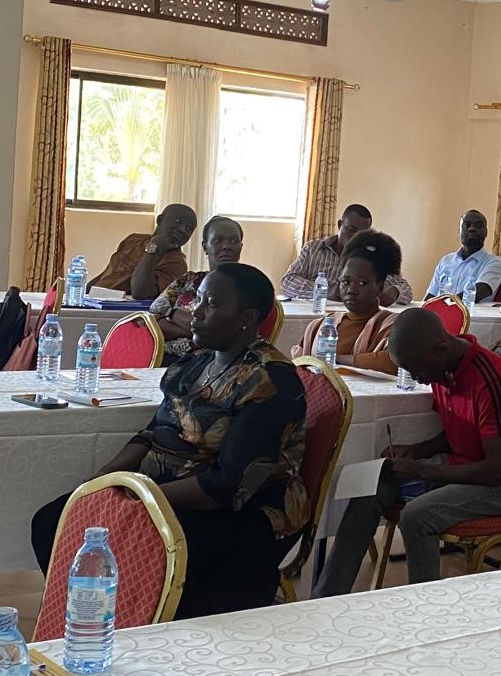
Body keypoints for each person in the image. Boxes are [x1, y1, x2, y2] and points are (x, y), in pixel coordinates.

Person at [31, 263, 307, 619]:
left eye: (211, 303)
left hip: (241, 513)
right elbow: (152, 432)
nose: (195, 311)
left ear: (246, 317)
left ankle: (128, 627)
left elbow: (228, 485)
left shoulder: (270, 381)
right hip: (168, 490)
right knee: (53, 519)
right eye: (198, 300)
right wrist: (105, 480)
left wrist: (140, 499)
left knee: (131, 540)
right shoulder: (197, 360)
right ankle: (93, 621)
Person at [313, 308, 501, 595]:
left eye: (417, 371)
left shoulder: (490, 380)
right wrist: (417, 451)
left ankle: (424, 606)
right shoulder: (444, 368)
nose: (418, 378)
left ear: (440, 350)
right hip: (461, 465)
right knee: (370, 489)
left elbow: (497, 469)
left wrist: (423, 470)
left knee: (417, 516)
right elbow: (460, 430)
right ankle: (327, 597)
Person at [291, 230, 401, 374]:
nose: (351, 290)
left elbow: (392, 361)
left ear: (379, 287)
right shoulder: (321, 325)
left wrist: (336, 359)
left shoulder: (391, 326)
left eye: (362, 283)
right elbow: (301, 362)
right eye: (346, 282)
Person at [149, 216, 243, 364]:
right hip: (163, 357)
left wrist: (171, 314)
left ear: (240, 247)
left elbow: (218, 332)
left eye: (233, 241)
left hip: (210, 365)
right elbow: (152, 319)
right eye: (218, 240)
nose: (226, 246)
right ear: (205, 247)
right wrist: (196, 331)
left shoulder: (247, 286)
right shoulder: (187, 280)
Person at [280, 204, 413, 305]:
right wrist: (324, 291)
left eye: (362, 233)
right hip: (318, 318)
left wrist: (395, 292)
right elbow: (288, 282)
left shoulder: (372, 257)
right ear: (340, 225)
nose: (355, 237)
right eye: (351, 230)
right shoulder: (314, 249)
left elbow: (405, 288)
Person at [88, 203, 197, 298]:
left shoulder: (177, 263)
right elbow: (107, 274)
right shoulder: (133, 239)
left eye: (188, 229)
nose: (182, 230)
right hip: (94, 300)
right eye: (177, 221)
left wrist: (153, 248)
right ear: (160, 220)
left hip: (120, 312)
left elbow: (140, 293)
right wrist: (83, 293)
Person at [424, 210, 501, 303]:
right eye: (467, 225)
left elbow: (480, 292)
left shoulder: (493, 262)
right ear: (459, 231)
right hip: (438, 315)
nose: (472, 229)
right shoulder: (446, 260)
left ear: (486, 233)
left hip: (470, 316)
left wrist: (444, 306)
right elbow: (431, 295)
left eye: (478, 225)